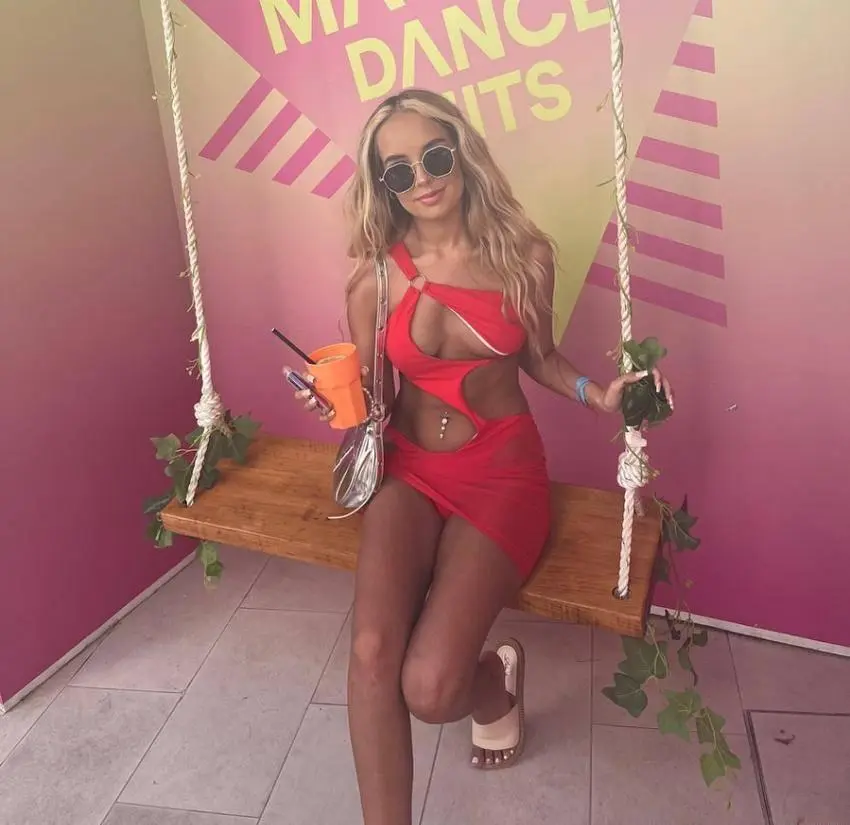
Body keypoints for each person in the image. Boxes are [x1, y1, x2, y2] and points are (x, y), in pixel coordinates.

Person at [291, 88, 673, 825]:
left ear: (461, 154)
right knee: (371, 652)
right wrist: (335, 400)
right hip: (409, 468)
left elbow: (540, 358)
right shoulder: (375, 277)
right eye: (398, 170)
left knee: (431, 688)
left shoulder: (523, 256)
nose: (422, 179)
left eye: (435, 156)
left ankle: (494, 682)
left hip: (500, 472)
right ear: (383, 185)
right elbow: (375, 393)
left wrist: (598, 393)